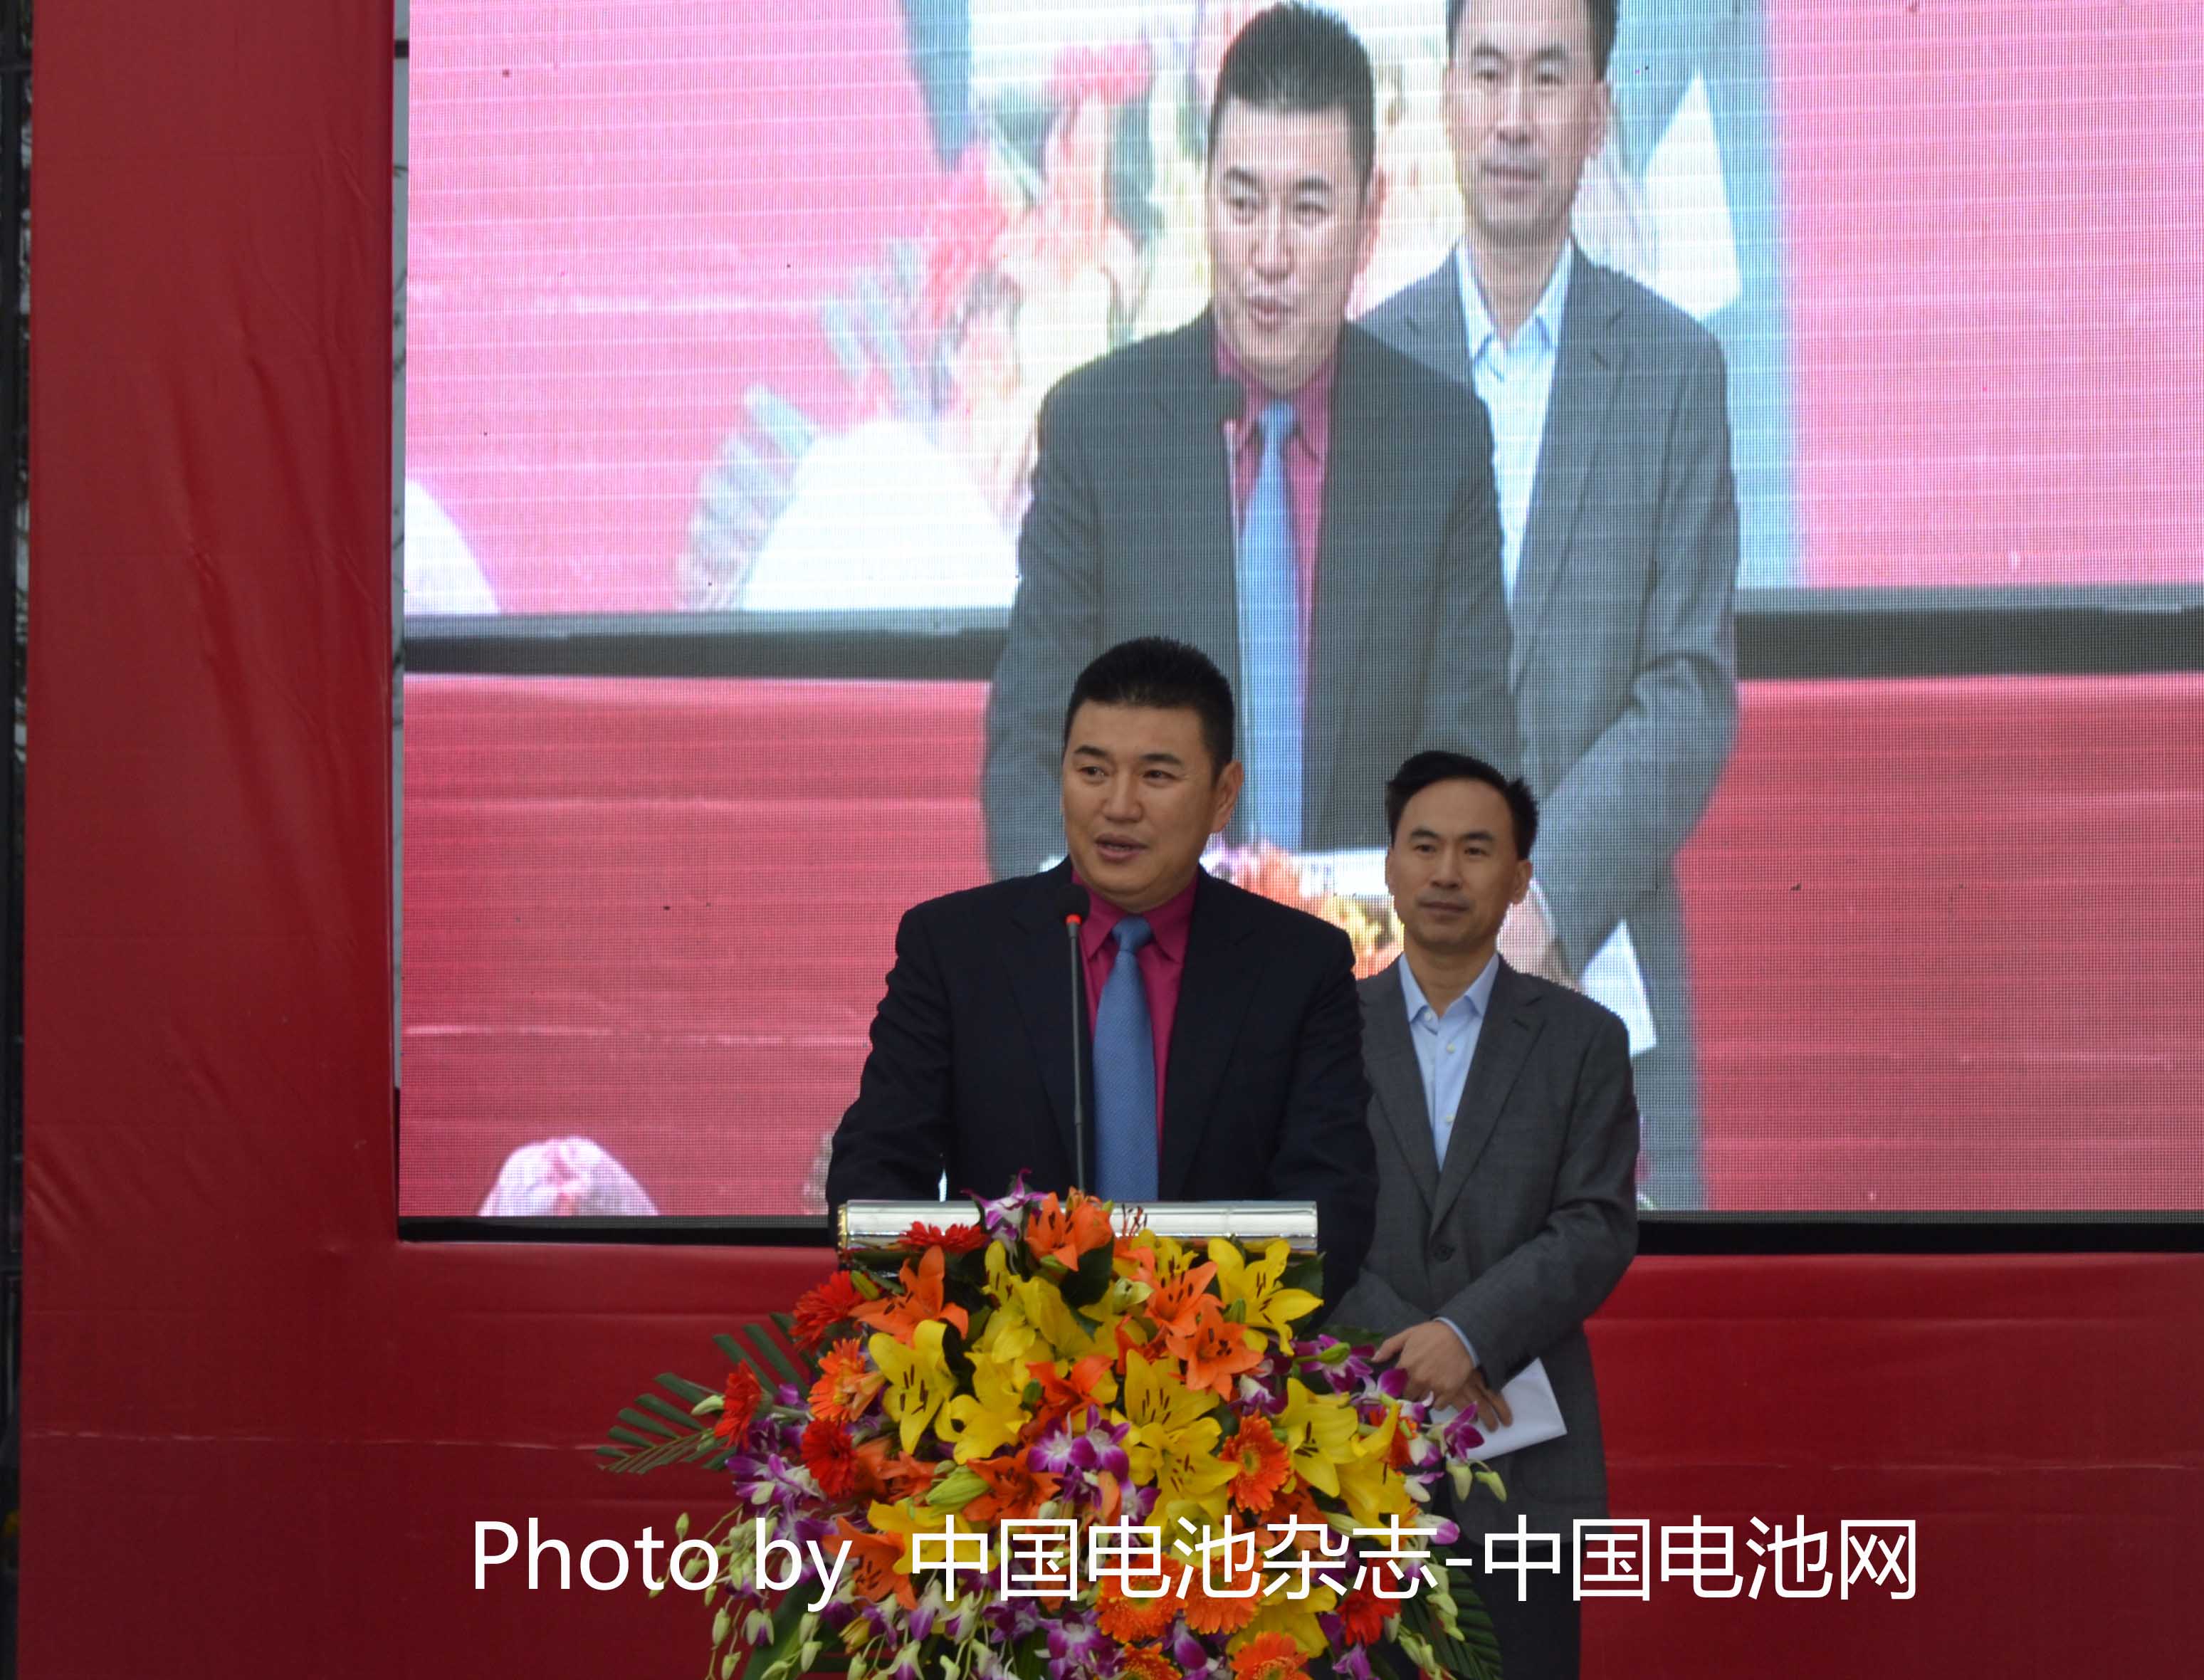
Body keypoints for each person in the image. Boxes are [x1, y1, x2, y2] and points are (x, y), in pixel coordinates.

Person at [981, 2, 1518, 880]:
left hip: (1367, 956)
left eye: (1308, 209)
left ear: (1370, 219)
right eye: (1242, 202)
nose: (1269, 254)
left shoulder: (1441, 445)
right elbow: (1033, 754)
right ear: (1204, 198)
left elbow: (1469, 764)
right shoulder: (1096, 431)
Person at [1360, 0, 1738, 1208]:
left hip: (1602, 973)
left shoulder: (1675, 373)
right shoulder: (1362, 371)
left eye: (1548, 76)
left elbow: (1689, 693)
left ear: (1599, 113)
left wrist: (1543, 897)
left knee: (1636, 1321)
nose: (1515, 117)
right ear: (1444, 99)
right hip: (1390, 996)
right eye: (1488, 74)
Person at [828, 637, 1377, 1306]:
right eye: (1092, 771)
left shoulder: (1298, 965)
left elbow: (1332, 1203)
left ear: (1223, 795)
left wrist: (1208, 1330)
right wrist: (947, 1325)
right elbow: (876, 1171)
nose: (1118, 806)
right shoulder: (955, 948)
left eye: (1156, 776)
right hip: (1001, 1356)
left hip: (1218, 1355)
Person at [1335, 750, 1637, 1680]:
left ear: (1518, 878)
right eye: (1424, 846)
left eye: (1475, 850)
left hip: (1526, 1469)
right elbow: (1302, 1216)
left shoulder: (1585, 1039)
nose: (1446, 872)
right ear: (1390, 867)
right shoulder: (1321, 1033)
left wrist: (1467, 1333)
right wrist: (1406, 1343)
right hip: (1349, 1453)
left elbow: (1595, 1223)